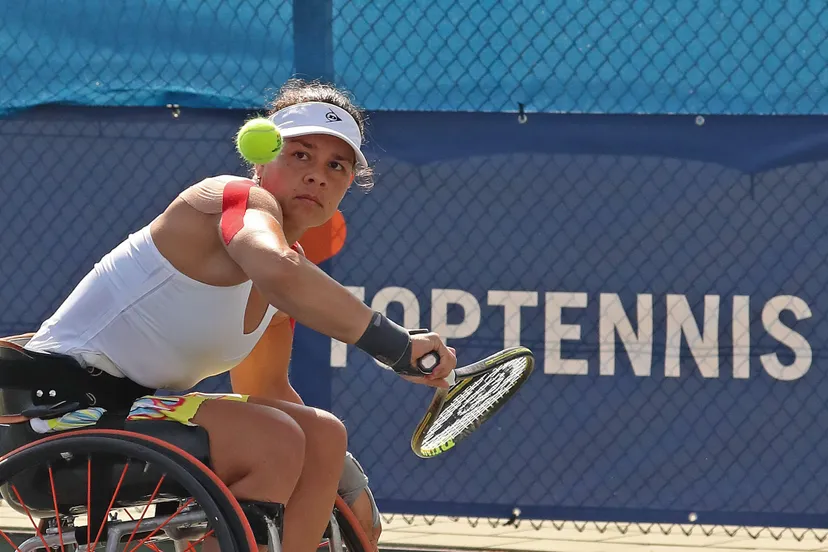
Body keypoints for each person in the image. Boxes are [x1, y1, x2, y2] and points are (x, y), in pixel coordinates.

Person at [20, 78, 458, 552]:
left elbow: (267, 390)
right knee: (273, 440)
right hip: (50, 418)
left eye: (337, 165)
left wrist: (340, 474)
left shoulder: (280, 277)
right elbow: (278, 269)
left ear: (349, 183)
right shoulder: (229, 200)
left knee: (324, 434)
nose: (318, 175)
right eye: (301, 155)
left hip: (124, 418)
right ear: (262, 156)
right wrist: (396, 347)